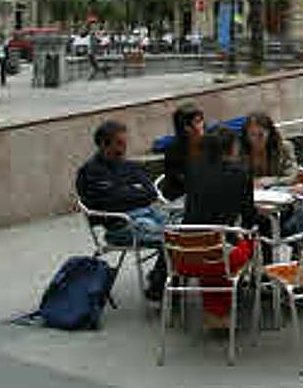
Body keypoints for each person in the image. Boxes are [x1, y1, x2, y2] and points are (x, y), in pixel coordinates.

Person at [75, 120, 168, 300]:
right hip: (120, 226)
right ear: (103, 144)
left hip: (148, 214)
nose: (124, 148)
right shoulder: (91, 172)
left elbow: (150, 192)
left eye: (125, 143)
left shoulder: (129, 166)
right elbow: (110, 203)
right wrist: (133, 192)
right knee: (172, 239)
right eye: (119, 143)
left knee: (187, 232)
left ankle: (161, 277)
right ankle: (158, 287)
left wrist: (125, 193)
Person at [182, 126, 259, 325]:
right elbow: (249, 217)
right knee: (252, 239)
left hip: (185, 252)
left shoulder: (194, 169)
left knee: (214, 241)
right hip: (221, 254)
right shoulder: (241, 173)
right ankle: (254, 289)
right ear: (231, 148)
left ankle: (216, 311)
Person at [240, 112, 300, 187]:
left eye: (261, 134)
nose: (256, 139)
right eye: (252, 134)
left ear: (269, 133)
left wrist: (270, 181)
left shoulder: (284, 147)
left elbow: (292, 177)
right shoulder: (240, 150)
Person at [161, 104, 205, 202]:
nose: (202, 125)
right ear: (186, 127)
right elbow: (184, 180)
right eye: (198, 122)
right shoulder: (174, 150)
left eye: (202, 120)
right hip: (181, 196)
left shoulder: (208, 143)